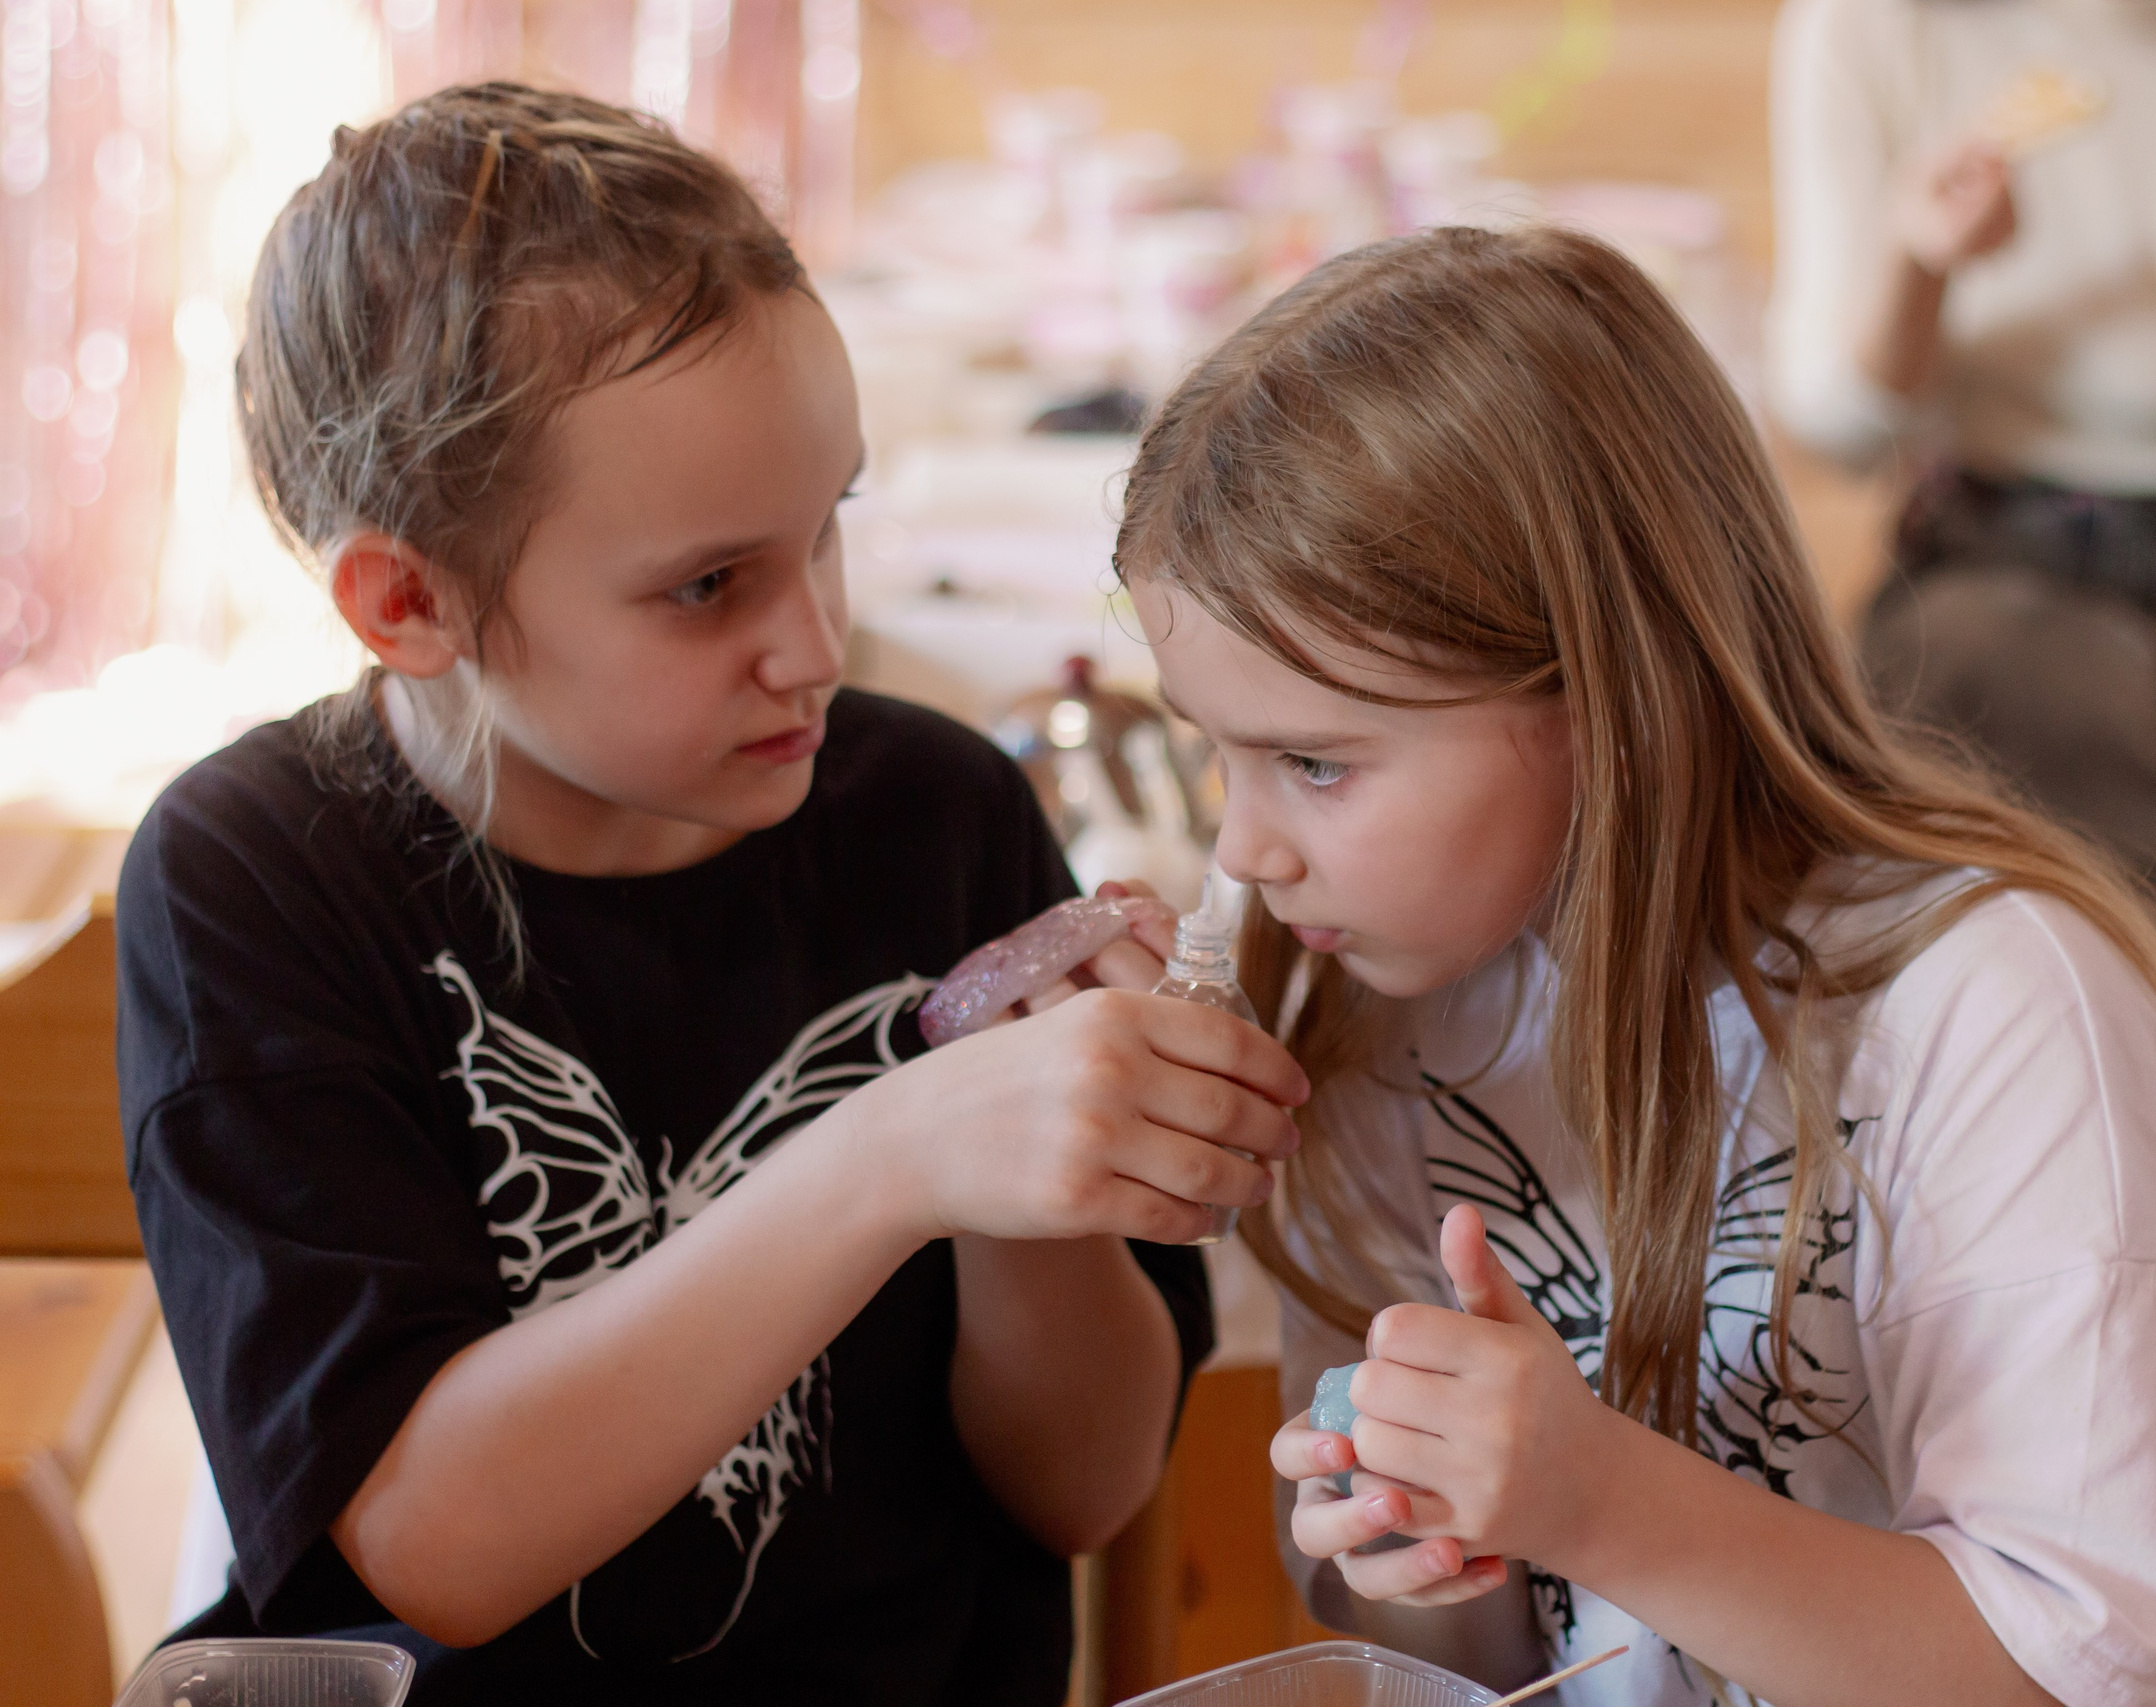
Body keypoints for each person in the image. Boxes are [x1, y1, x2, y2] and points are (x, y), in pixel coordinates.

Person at [116, 83, 1307, 1706]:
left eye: (828, 534)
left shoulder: (934, 809)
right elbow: (434, 1546)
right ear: (411, 600)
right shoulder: (256, 880)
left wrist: (1032, 1185)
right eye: (707, 585)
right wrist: (897, 1147)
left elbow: (1081, 1488)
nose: (816, 642)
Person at [1114, 224, 2156, 1707]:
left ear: (1616, 692)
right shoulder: (1375, 1017)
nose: (1243, 847)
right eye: (1220, 754)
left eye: (1313, 762)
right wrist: (1430, 1537)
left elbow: (2071, 1670)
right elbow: (1476, 1657)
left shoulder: (1997, 1012)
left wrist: (1596, 1499)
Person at [1768, 0, 2156, 979]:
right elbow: (1839, 432)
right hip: (1984, 558)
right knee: (2000, 671)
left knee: (2013, 718)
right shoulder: (1873, 29)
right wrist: (1919, 264)